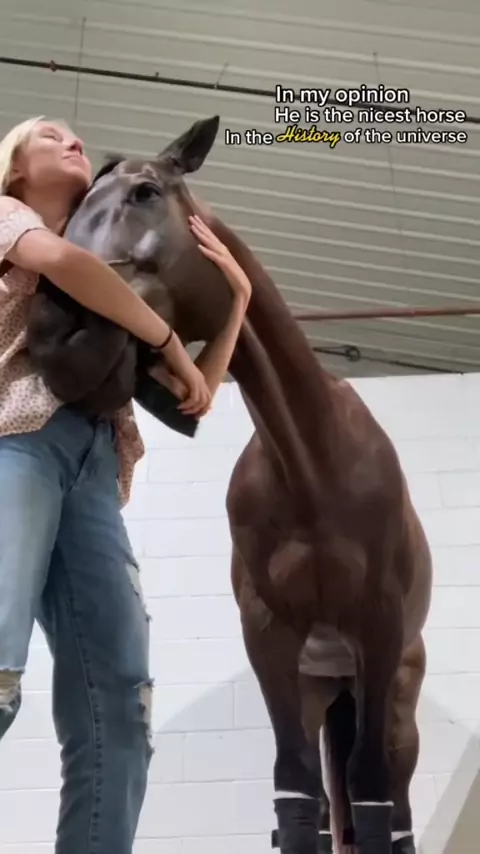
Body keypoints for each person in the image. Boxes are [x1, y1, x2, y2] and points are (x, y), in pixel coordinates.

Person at [0, 117, 251, 854]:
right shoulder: (10, 219)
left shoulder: (115, 290)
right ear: (14, 169)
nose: (70, 138)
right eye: (48, 134)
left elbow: (193, 397)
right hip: (12, 443)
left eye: (72, 133)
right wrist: (167, 339)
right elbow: (64, 264)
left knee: (121, 703)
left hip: (96, 469)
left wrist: (235, 303)